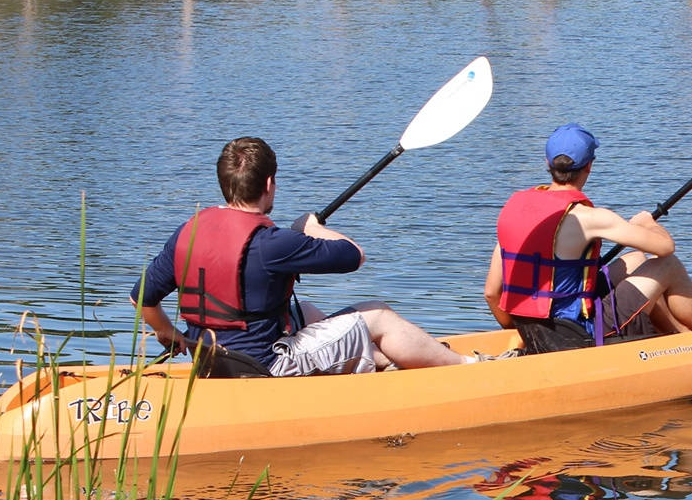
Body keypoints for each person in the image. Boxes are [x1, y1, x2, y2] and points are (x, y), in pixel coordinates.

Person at [133, 136, 474, 376]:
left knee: (306, 311)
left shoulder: (187, 232)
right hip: (263, 368)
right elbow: (354, 255)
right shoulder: (274, 243)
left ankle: (384, 362)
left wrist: (173, 336)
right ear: (269, 184)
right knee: (378, 315)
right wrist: (312, 228)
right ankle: (467, 369)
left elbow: (142, 299)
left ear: (224, 184)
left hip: (207, 359)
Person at [483, 123, 692, 354]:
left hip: (535, 330)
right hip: (579, 335)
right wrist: (649, 223)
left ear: (548, 163)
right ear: (589, 167)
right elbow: (665, 247)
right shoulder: (589, 217)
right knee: (668, 266)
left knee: (635, 259)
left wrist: (523, 333)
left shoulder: (513, 211)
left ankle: (678, 338)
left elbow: (492, 293)